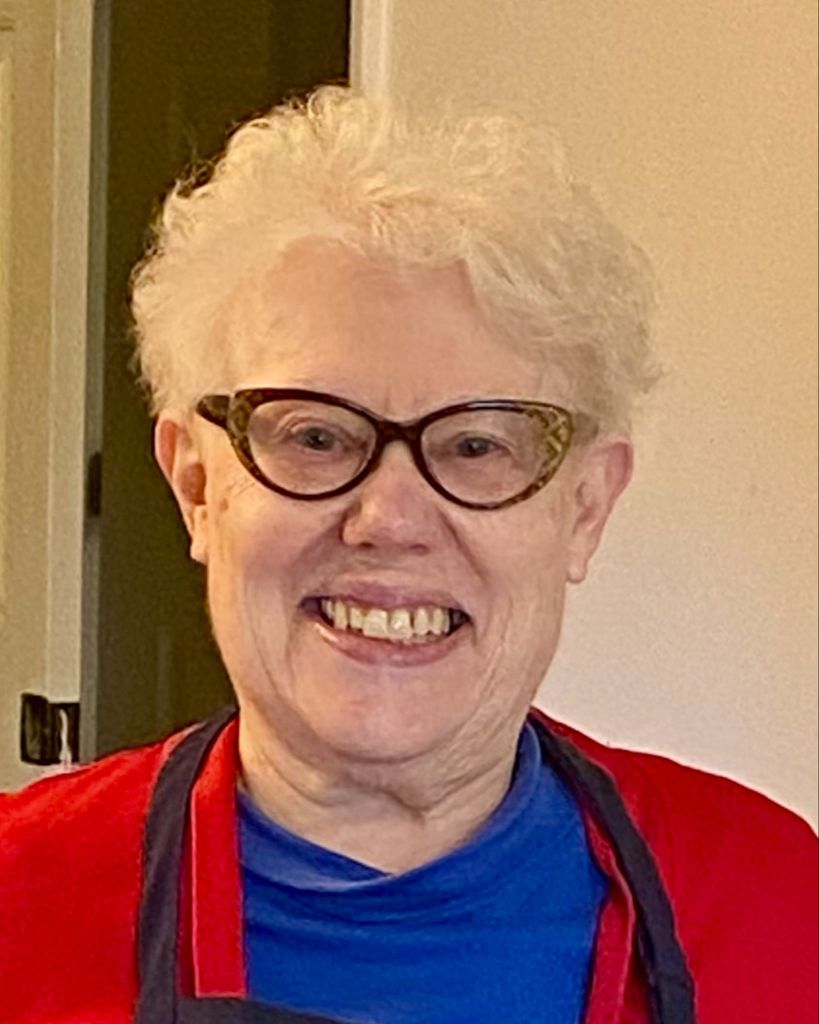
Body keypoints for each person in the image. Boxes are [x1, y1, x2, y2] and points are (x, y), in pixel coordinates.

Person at [0, 85, 816, 1024]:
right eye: (313, 436)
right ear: (195, 486)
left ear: (585, 507)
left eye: (477, 445)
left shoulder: (776, 904)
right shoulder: (21, 900)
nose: (388, 518)